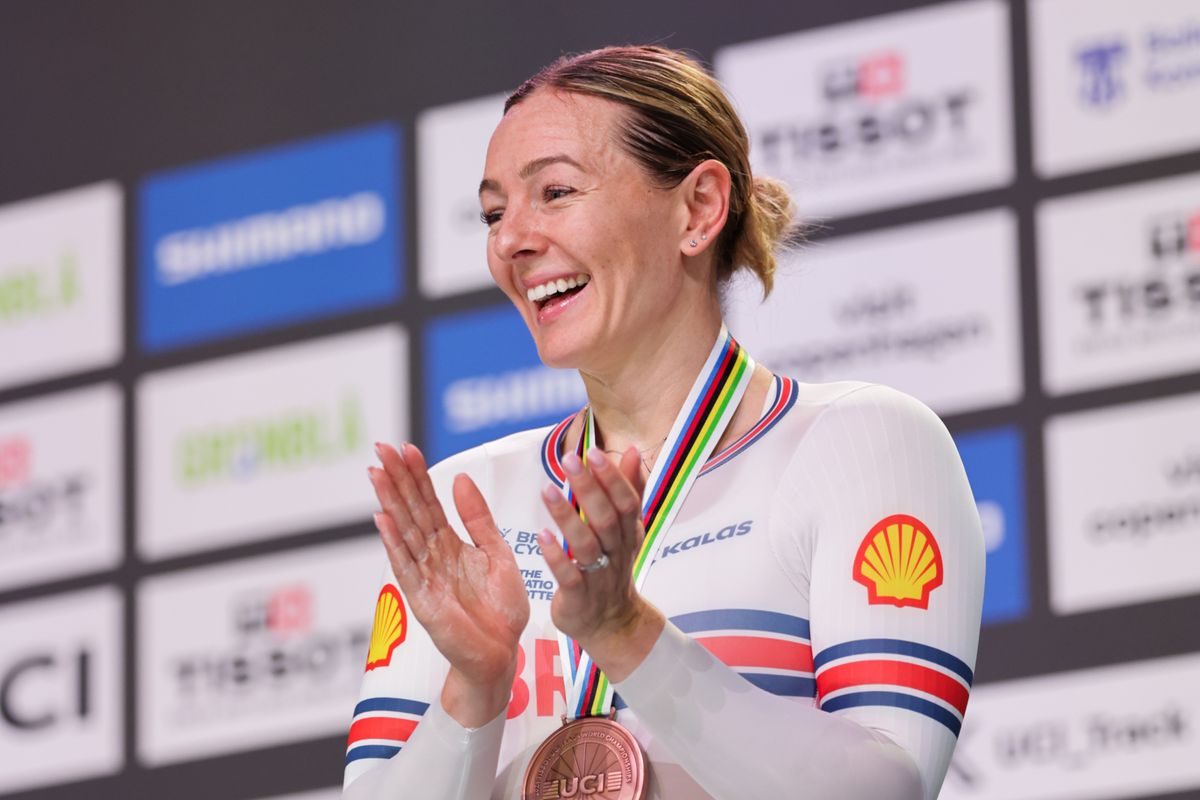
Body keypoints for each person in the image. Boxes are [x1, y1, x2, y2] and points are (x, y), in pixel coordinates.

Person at [344, 45, 984, 800]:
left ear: (698, 208)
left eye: (554, 191)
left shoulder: (862, 444)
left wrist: (625, 633)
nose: (510, 240)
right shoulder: (465, 507)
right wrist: (475, 689)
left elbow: (884, 791)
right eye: (493, 212)